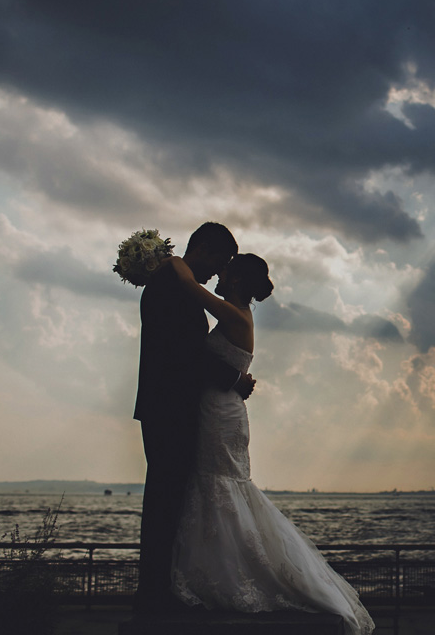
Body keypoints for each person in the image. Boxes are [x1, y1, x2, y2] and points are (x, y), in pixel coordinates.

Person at [163, 253, 374, 635]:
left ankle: (234, 572)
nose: (220, 274)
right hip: (222, 408)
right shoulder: (237, 314)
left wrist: (170, 258)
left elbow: (189, 287)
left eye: (226, 270)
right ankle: (221, 567)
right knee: (221, 488)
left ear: (238, 281)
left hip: (222, 413)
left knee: (221, 486)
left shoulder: (233, 313)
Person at [133, 222, 257, 613]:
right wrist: (233, 378)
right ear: (202, 249)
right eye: (218, 262)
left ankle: (161, 587)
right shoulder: (172, 285)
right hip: (170, 407)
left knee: (170, 499)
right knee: (165, 500)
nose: (218, 273)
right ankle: (156, 594)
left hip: (169, 406)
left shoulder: (171, 283)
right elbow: (183, 351)